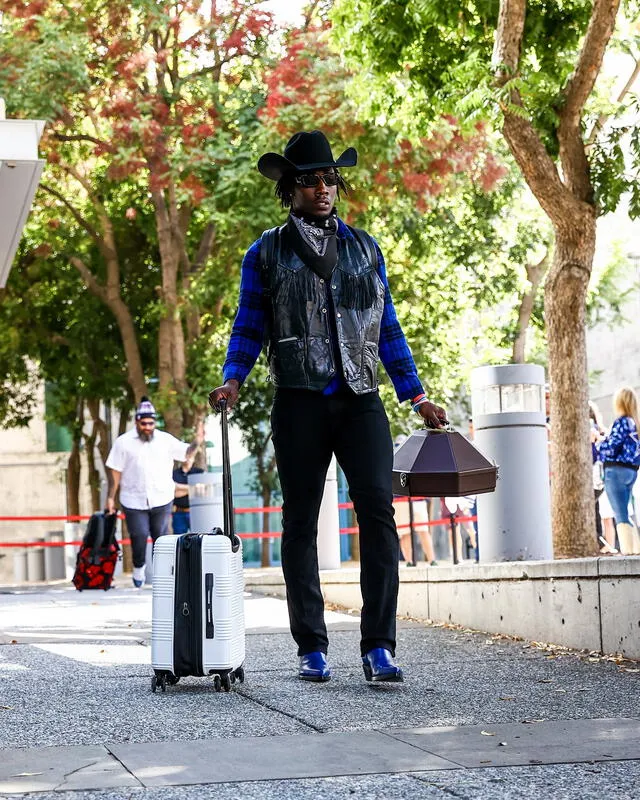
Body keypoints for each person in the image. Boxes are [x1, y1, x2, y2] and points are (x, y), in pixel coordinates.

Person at [208, 130, 447, 683]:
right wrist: (233, 380)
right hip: (298, 400)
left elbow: (387, 328)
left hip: (361, 400)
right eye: (310, 180)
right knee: (299, 523)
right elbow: (249, 324)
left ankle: (379, 647)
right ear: (289, 188)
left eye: (329, 179)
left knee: (379, 518)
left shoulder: (366, 248)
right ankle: (311, 646)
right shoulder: (264, 252)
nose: (322, 188)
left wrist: (416, 394)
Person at [105, 397, 204, 587]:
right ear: (137, 422)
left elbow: (186, 453)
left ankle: (162, 576)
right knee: (139, 535)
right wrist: (111, 497)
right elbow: (115, 473)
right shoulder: (123, 443)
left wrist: (197, 441)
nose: (148, 427)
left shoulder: (165, 440)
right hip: (133, 499)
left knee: (161, 537)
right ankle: (138, 567)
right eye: (144, 423)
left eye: (151, 423)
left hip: (162, 497)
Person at [596, 387, 640, 555]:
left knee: (620, 513)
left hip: (616, 471)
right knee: (627, 511)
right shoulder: (635, 423)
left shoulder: (622, 422)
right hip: (631, 471)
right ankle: (634, 548)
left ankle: (628, 551)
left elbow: (611, 447)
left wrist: (599, 442)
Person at [172, 458, 205, 535]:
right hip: (178, 513)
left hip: (196, 513)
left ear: (193, 458)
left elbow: (203, 491)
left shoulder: (199, 472)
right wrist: (194, 487)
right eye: (185, 456)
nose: (188, 459)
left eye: (190, 456)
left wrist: (180, 488)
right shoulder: (174, 473)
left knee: (199, 538)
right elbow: (174, 493)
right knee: (179, 539)